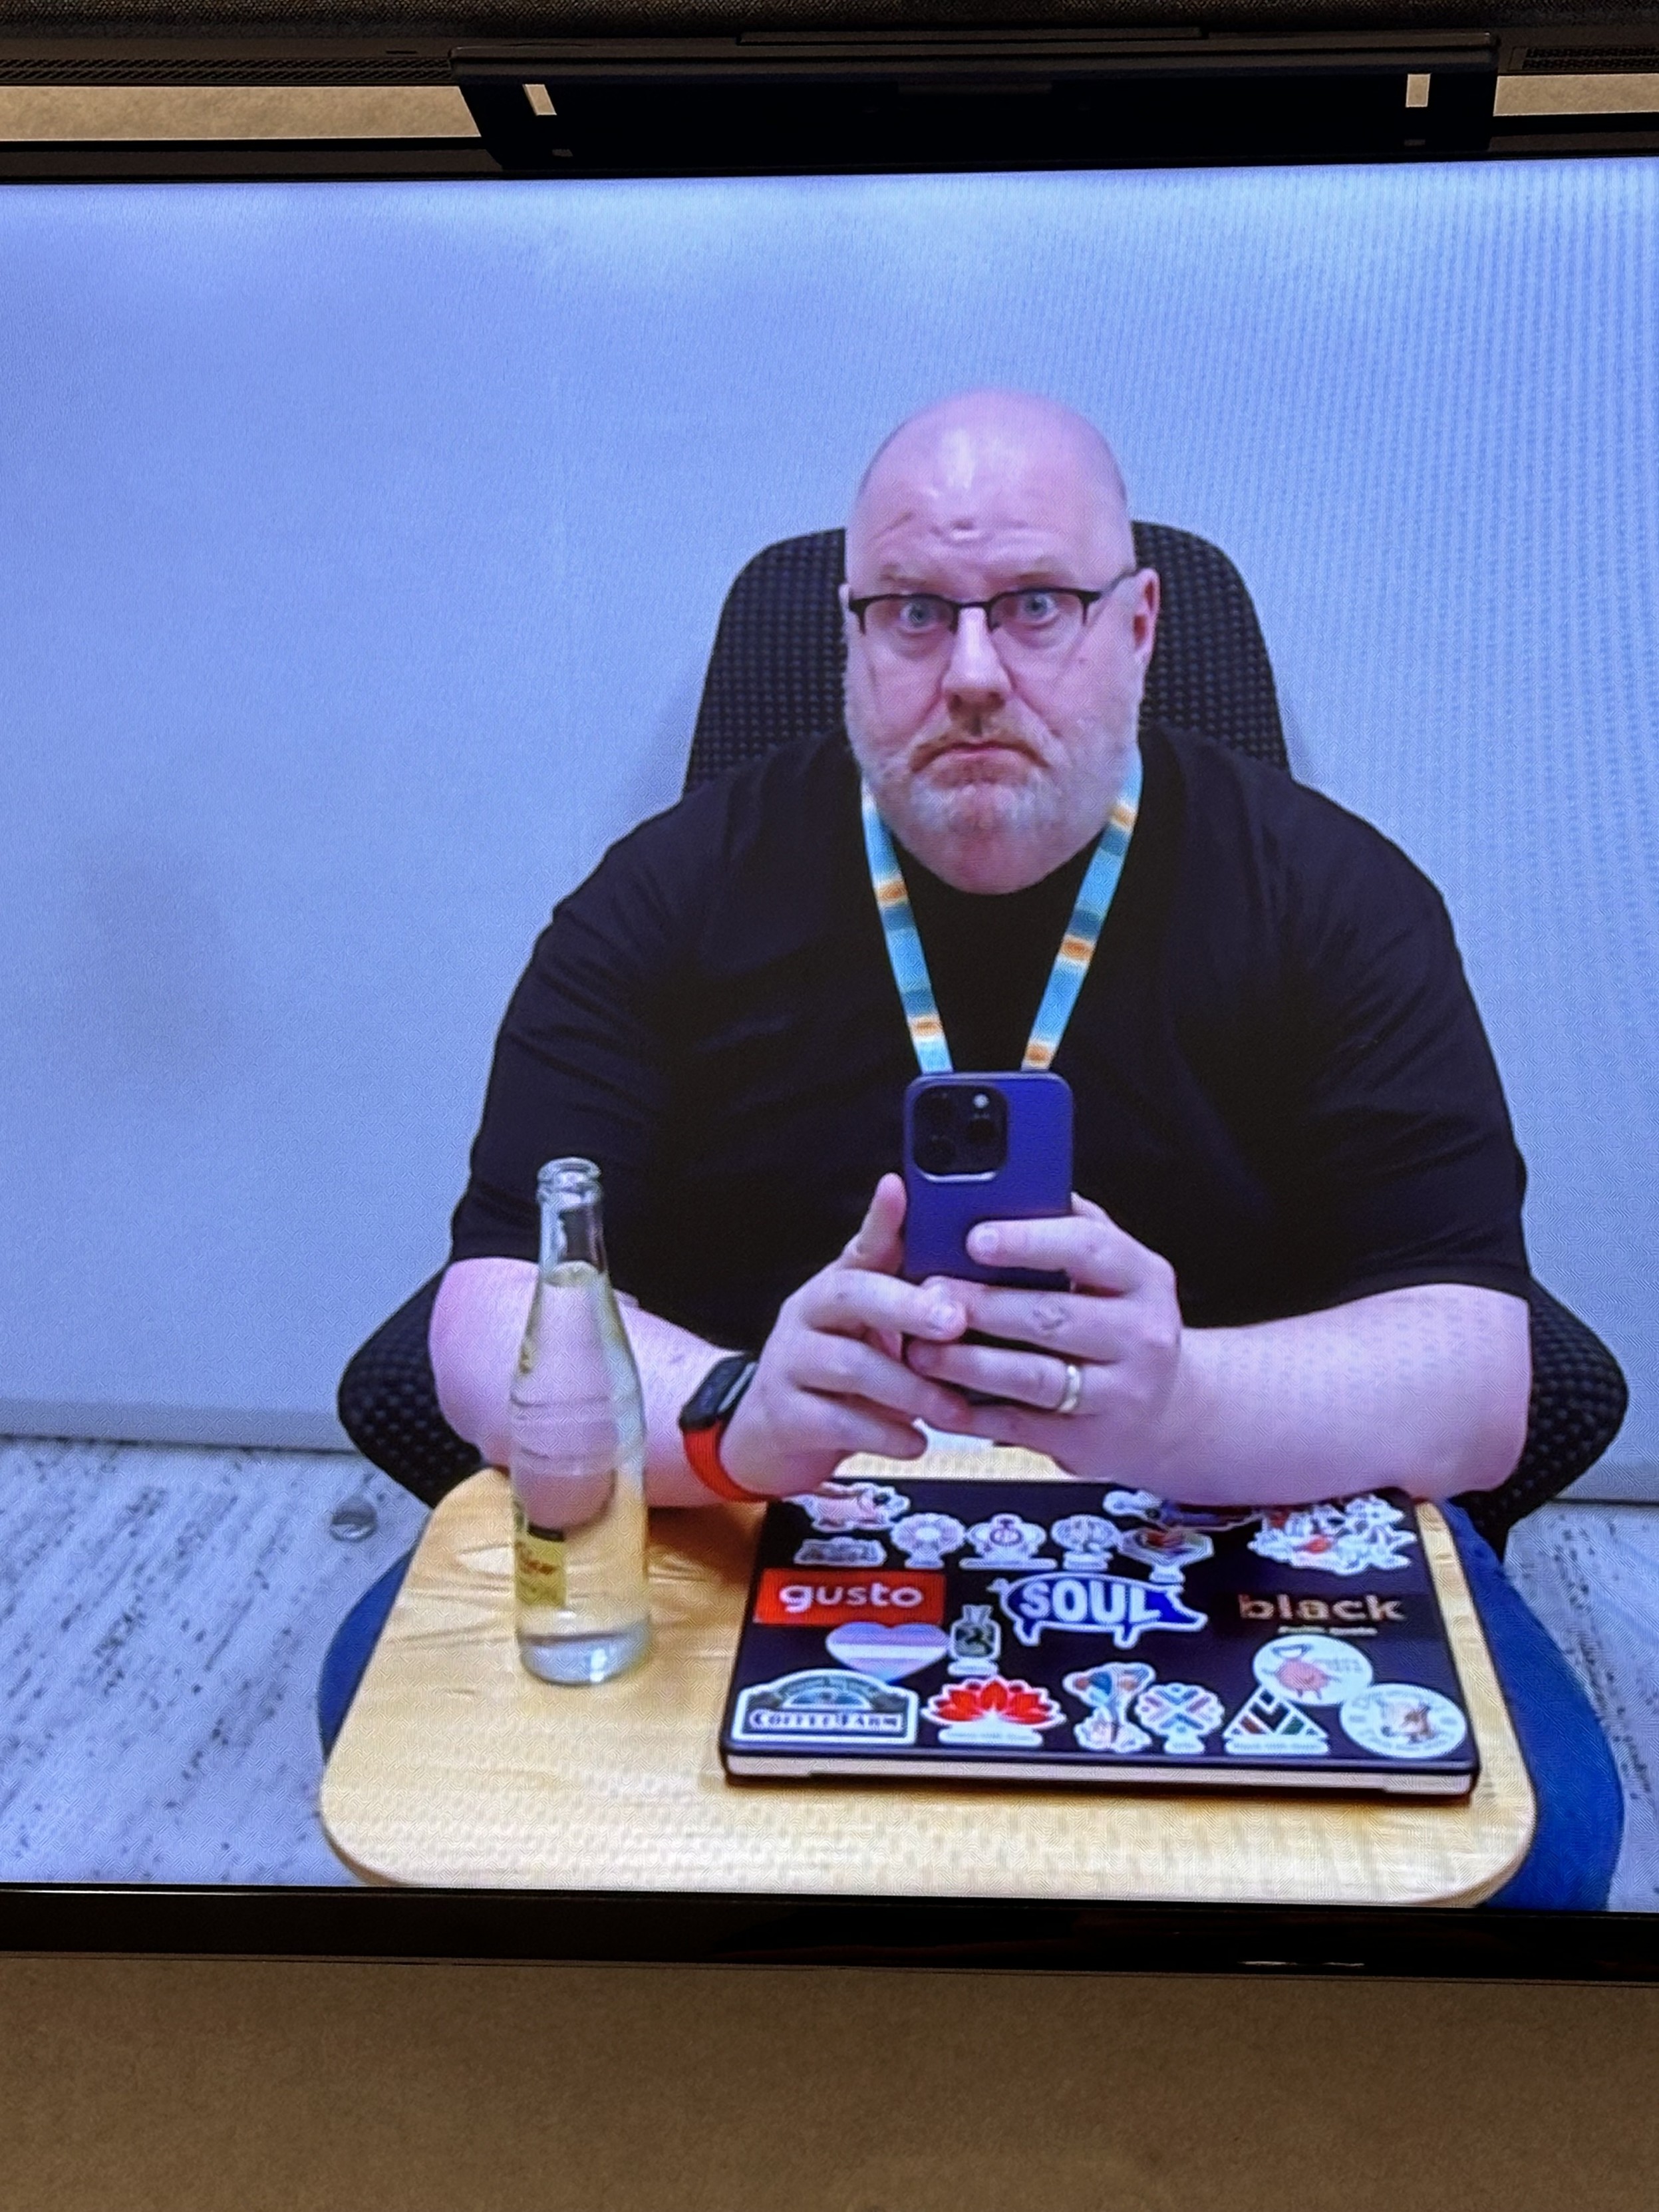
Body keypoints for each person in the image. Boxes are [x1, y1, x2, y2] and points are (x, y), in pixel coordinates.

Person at [420, 389, 1620, 1905]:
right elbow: (480, 1315)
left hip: (1218, 1504)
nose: (972, 674)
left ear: (1134, 629)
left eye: (1034, 607)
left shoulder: (1339, 900)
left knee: (1546, 1838)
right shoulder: (660, 900)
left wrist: (1180, 1399)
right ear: (849, 642)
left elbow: (1476, 1371)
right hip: (770, 1512)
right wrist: (735, 1412)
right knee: (433, 1770)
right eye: (916, 614)